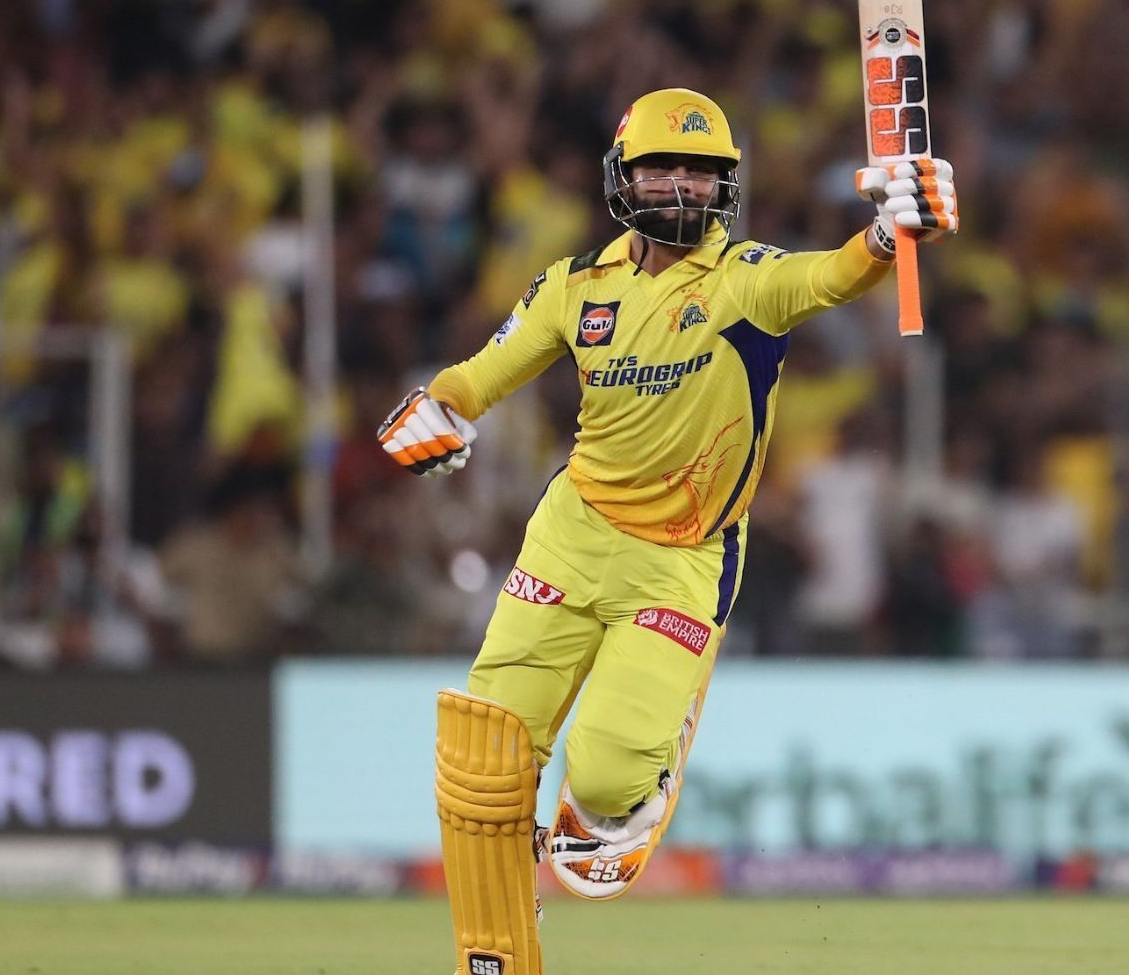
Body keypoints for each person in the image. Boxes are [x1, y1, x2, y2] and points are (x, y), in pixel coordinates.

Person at [377, 88, 957, 972]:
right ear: (623, 175)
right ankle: (492, 961)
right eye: (663, 167)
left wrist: (888, 234)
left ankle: (651, 756)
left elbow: (834, 273)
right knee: (487, 749)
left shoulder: (744, 282)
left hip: (681, 558)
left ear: (727, 185)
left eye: (702, 172)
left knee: (605, 778)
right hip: (570, 536)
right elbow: (483, 372)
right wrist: (440, 410)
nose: (682, 187)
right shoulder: (577, 286)